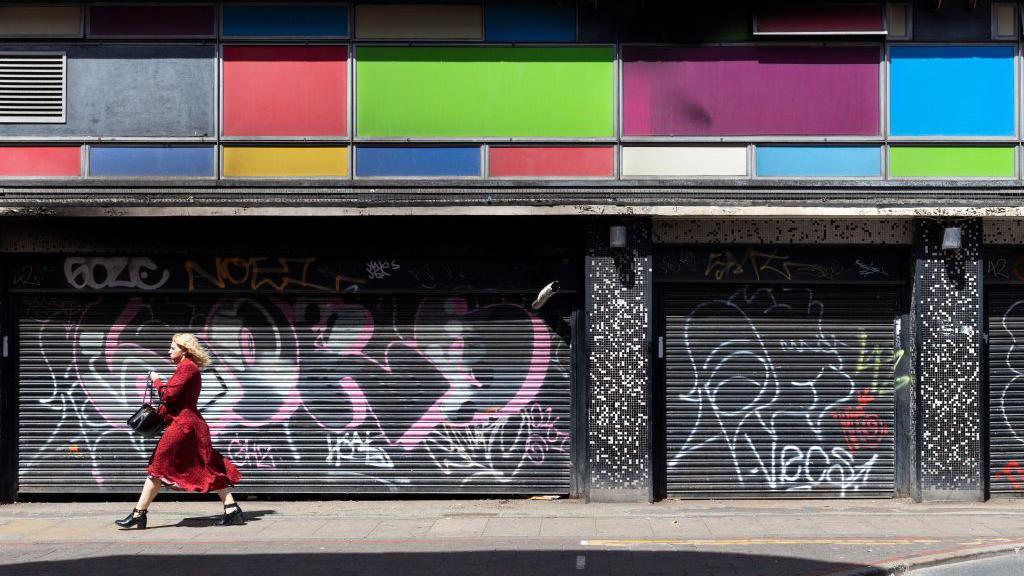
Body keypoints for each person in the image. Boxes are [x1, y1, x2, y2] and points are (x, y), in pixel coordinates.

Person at [115, 333, 243, 529]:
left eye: (173, 347)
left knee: (156, 468)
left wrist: (157, 380)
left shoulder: (187, 368)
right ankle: (232, 509)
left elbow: (168, 395)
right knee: (204, 465)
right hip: (188, 425)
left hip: (184, 427)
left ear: (185, 350)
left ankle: (139, 514)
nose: (169, 351)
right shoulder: (185, 368)